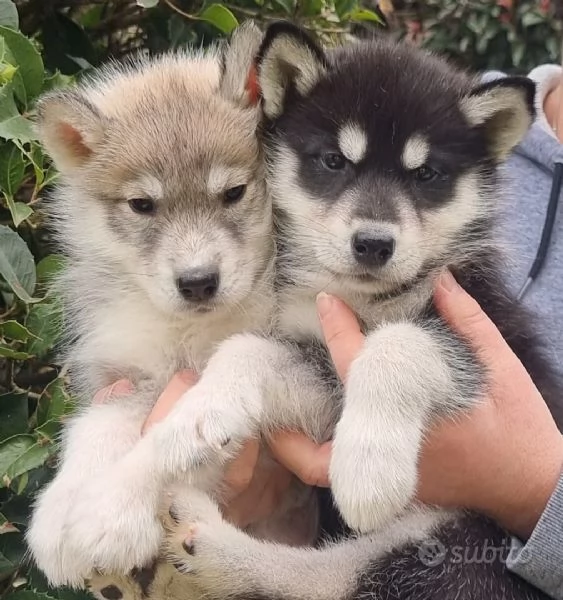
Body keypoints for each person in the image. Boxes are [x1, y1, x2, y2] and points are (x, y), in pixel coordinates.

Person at [96, 53, 563, 598]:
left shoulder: (463, 132)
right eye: (334, 165)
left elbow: (454, 367)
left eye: (429, 177)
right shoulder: (282, 254)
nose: (373, 226)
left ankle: (275, 576)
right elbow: (299, 385)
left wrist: (534, 490)